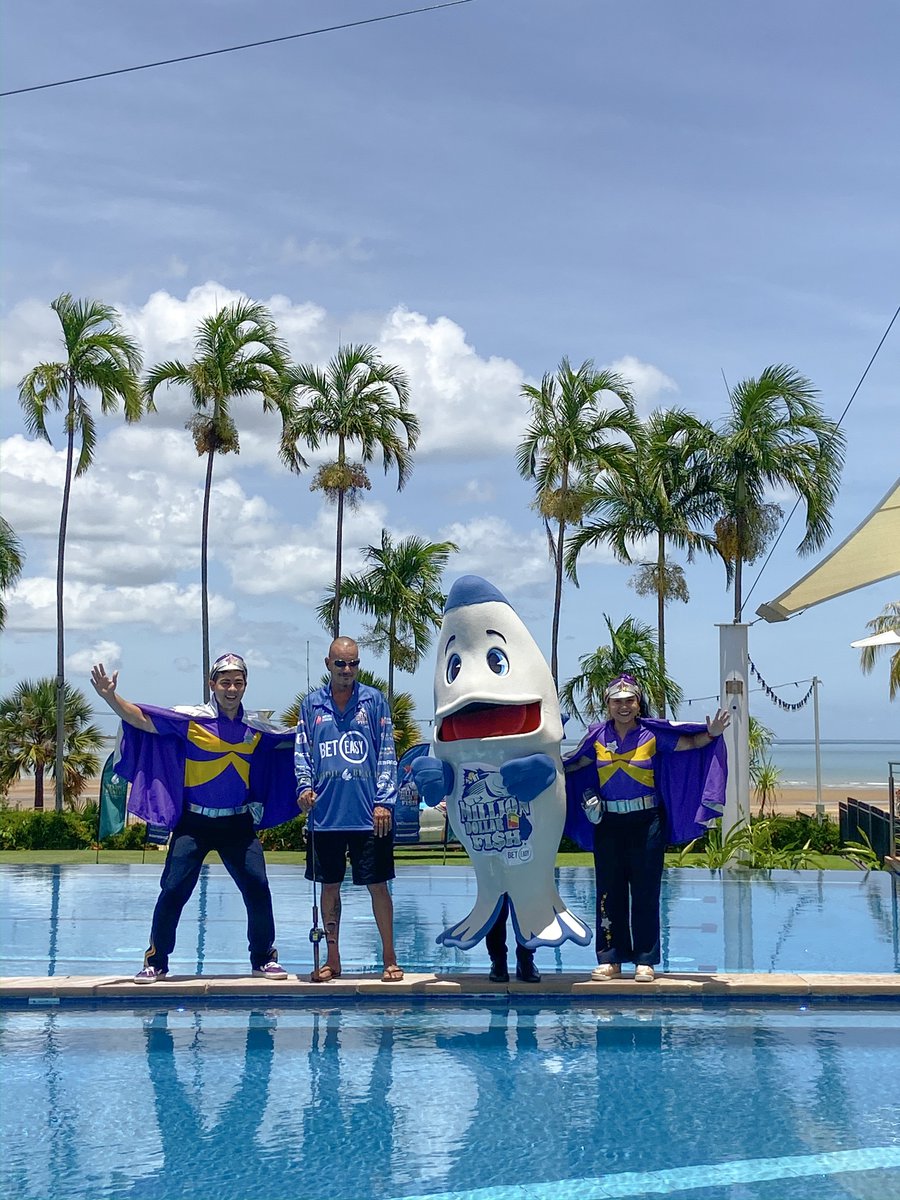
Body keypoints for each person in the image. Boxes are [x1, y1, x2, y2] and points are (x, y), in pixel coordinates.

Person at [91, 654, 297, 983]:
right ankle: (156, 962)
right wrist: (109, 696)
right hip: (194, 824)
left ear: (245, 686)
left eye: (238, 682)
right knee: (173, 889)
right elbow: (143, 719)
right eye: (225, 682)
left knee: (258, 888)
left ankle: (263, 959)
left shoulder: (256, 728)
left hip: (237, 825)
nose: (232, 688)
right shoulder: (191, 720)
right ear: (212, 684)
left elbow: (291, 743)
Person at [564, 674, 729, 982]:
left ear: (638, 704)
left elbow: (692, 743)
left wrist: (712, 733)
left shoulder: (652, 736)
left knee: (645, 893)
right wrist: (547, 763)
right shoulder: (597, 737)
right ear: (608, 705)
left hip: (647, 822)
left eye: (629, 701)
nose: (623, 707)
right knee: (607, 893)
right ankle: (610, 960)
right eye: (617, 702)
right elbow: (574, 764)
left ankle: (645, 960)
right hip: (609, 824)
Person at [294, 637, 404, 983]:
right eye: (340, 664)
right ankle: (333, 958)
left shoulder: (373, 701)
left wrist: (384, 801)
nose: (347, 670)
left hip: (368, 814)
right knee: (329, 886)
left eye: (353, 664)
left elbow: (387, 752)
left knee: (378, 886)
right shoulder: (312, 706)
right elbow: (303, 751)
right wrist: (304, 788)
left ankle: (389, 957)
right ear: (328, 664)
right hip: (325, 816)